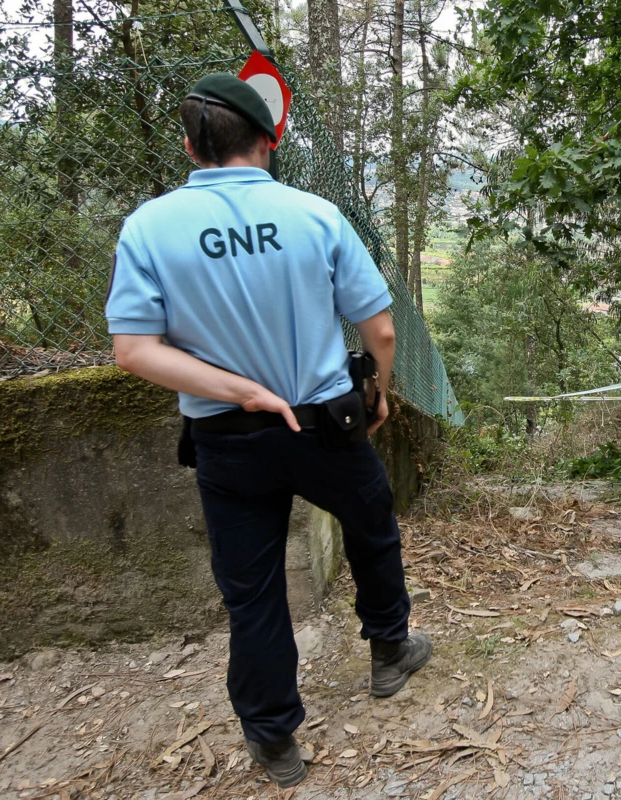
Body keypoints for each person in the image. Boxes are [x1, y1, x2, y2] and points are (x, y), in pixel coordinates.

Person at [105, 73, 432, 788]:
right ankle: (388, 651)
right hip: (326, 427)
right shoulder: (314, 214)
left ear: (191, 146)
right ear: (270, 137)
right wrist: (378, 391)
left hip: (228, 441)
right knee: (371, 525)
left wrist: (238, 391)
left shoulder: (149, 227)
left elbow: (134, 349)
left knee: (251, 588)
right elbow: (377, 324)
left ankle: (274, 737)